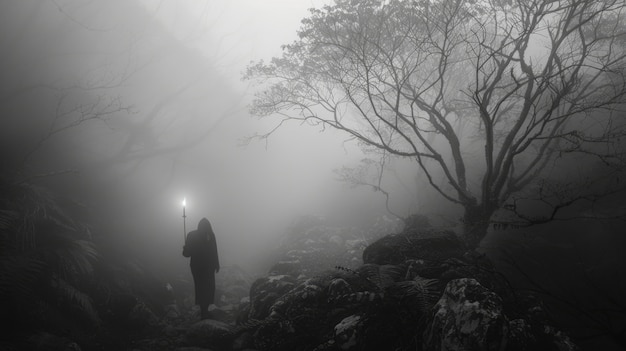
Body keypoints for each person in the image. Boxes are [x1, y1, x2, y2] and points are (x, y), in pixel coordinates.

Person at [183, 217, 220, 319]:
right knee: (206, 287)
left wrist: (217, 264)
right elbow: (187, 253)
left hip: (201, 266)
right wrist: (216, 264)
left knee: (203, 287)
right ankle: (204, 311)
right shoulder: (207, 235)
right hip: (202, 267)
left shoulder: (196, 235)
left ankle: (204, 310)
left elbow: (214, 250)